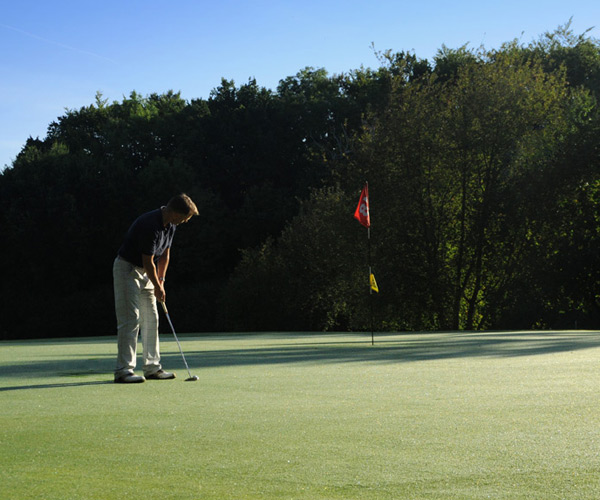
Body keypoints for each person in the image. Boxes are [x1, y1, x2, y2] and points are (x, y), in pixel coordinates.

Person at [113, 193, 199, 383]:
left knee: (152, 318)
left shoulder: (171, 226)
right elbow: (148, 260)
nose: (185, 222)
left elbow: (165, 255)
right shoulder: (150, 224)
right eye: (185, 218)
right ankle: (123, 371)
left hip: (147, 273)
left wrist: (161, 280)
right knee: (131, 319)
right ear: (175, 213)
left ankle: (152, 368)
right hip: (128, 269)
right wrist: (158, 286)